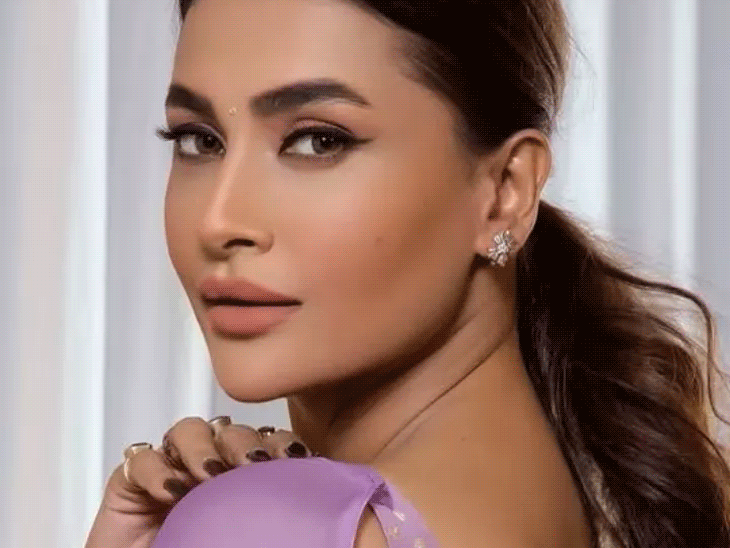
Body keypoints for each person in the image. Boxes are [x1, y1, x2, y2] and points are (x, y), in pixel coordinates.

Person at [85, 0, 730, 547]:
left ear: (505, 191)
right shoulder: (565, 492)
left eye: (318, 140)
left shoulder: (266, 527)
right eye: (199, 139)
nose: (218, 221)